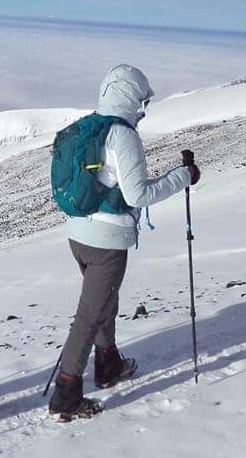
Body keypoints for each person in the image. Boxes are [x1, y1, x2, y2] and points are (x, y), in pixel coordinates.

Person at [49, 64, 200, 421]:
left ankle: (109, 364)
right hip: (107, 240)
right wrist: (183, 176)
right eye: (143, 101)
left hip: (77, 232)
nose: (144, 109)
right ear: (132, 98)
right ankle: (65, 395)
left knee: (103, 302)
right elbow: (139, 195)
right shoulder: (122, 135)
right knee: (89, 316)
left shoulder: (85, 128)